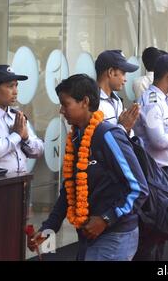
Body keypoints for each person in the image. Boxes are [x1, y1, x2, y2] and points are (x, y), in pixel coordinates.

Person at [27, 74, 149, 261]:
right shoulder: (77, 137)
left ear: (84, 102)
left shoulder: (108, 135)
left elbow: (138, 188)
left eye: (65, 104)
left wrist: (106, 219)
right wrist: (48, 229)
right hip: (89, 235)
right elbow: (69, 190)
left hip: (115, 236)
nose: (61, 110)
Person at [132, 54, 168, 260]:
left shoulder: (162, 98)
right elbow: (158, 140)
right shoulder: (153, 101)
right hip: (154, 173)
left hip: (161, 172)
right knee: (152, 234)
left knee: (159, 235)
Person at [0, 65, 44, 173]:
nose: (15, 91)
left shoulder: (16, 116)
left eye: (16, 86)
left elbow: (39, 151)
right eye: (10, 86)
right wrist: (17, 136)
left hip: (21, 182)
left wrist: (26, 137)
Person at [95, 50, 140, 135]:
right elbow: (100, 139)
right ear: (111, 72)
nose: (125, 79)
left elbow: (126, 135)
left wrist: (128, 128)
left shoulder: (117, 101)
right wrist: (123, 127)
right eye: (123, 73)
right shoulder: (93, 103)